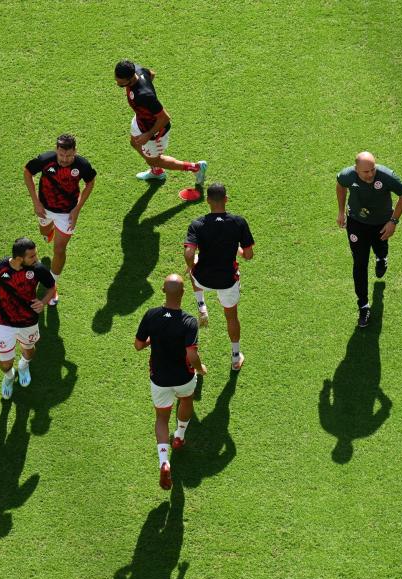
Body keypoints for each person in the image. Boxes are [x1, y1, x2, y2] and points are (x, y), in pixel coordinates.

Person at [135, 274, 207, 490]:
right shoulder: (189, 322)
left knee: (161, 418)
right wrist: (200, 369)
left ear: (163, 290)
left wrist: (153, 340)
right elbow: (192, 356)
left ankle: (164, 462)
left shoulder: (151, 315)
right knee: (186, 401)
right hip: (183, 377)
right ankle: (180, 437)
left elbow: (138, 345)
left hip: (159, 379)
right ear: (183, 293)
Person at [183, 183, 255, 370]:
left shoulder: (197, 224)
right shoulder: (238, 222)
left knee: (192, 271)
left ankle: (202, 306)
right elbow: (248, 255)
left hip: (203, 277)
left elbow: (189, 254)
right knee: (231, 318)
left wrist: (191, 266)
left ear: (207, 201)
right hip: (227, 281)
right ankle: (235, 357)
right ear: (226, 199)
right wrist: (237, 249)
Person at [114, 60, 207, 200]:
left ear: (130, 78)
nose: (117, 84)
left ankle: (196, 168)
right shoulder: (138, 70)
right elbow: (151, 74)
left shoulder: (145, 96)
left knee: (154, 160)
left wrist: (147, 134)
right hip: (140, 121)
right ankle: (156, 172)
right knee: (134, 143)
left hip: (154, 131)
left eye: (120, 83)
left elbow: (165, 118)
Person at [336, 151, 402, 327]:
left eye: (372, 170)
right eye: (365, 172)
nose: (370, 174)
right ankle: (363, 306)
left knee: (380, 246)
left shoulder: (386, 176)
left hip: (381, 223)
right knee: (359, 263)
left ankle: (381, 258)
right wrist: (340, 211)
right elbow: (340, 185)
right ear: (356, 169)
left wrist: (393, 221)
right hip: (356, 223)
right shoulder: (347, 176)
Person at [0, 238, 56, 400]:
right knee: (5, 363)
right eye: (32, 256)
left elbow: (52, 287)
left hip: (28, 321)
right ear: (20, 258)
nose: (36, 258)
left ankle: (23, 365)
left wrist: (43, 302)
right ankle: (8, 377)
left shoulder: (38, 269)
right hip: (3, 322)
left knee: (29, 351)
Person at [23, 134, 96, 305]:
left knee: (59, 249)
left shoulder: (82, 165)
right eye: (61, 155)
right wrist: (36, 202)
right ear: (56, 150)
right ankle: (49, 232)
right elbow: (27, 172)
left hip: (66, 213)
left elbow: (90, 182)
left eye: (69, 156)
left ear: (75, 151)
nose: (64, 159)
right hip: (45, 209)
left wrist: (77, 209)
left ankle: (52, 284)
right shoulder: (45, 160)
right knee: (44, 231)